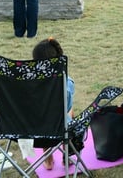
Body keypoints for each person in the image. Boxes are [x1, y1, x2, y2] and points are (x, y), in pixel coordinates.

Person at [30, 37, 75, 171]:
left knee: (43, 114)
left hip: (29, 130)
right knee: (68, 110)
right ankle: (67, 154)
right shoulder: (66, 82)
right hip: (59, 130)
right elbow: (65, 110)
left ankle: (48, 158)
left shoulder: (26, 83)